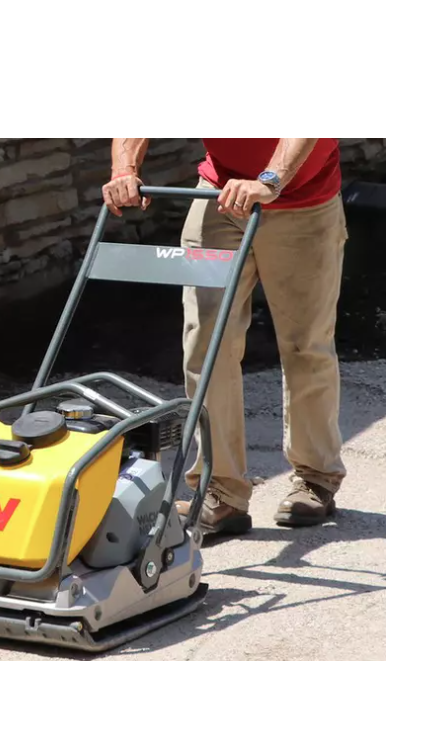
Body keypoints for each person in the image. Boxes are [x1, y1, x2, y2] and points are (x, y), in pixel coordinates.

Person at [102, 138, 348, 531]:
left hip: (303, 203)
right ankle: (221, 491)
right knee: (205, 343)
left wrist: (269, 180)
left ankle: (316, 477)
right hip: (220, 197)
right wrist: (124, 170)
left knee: (306, 345)